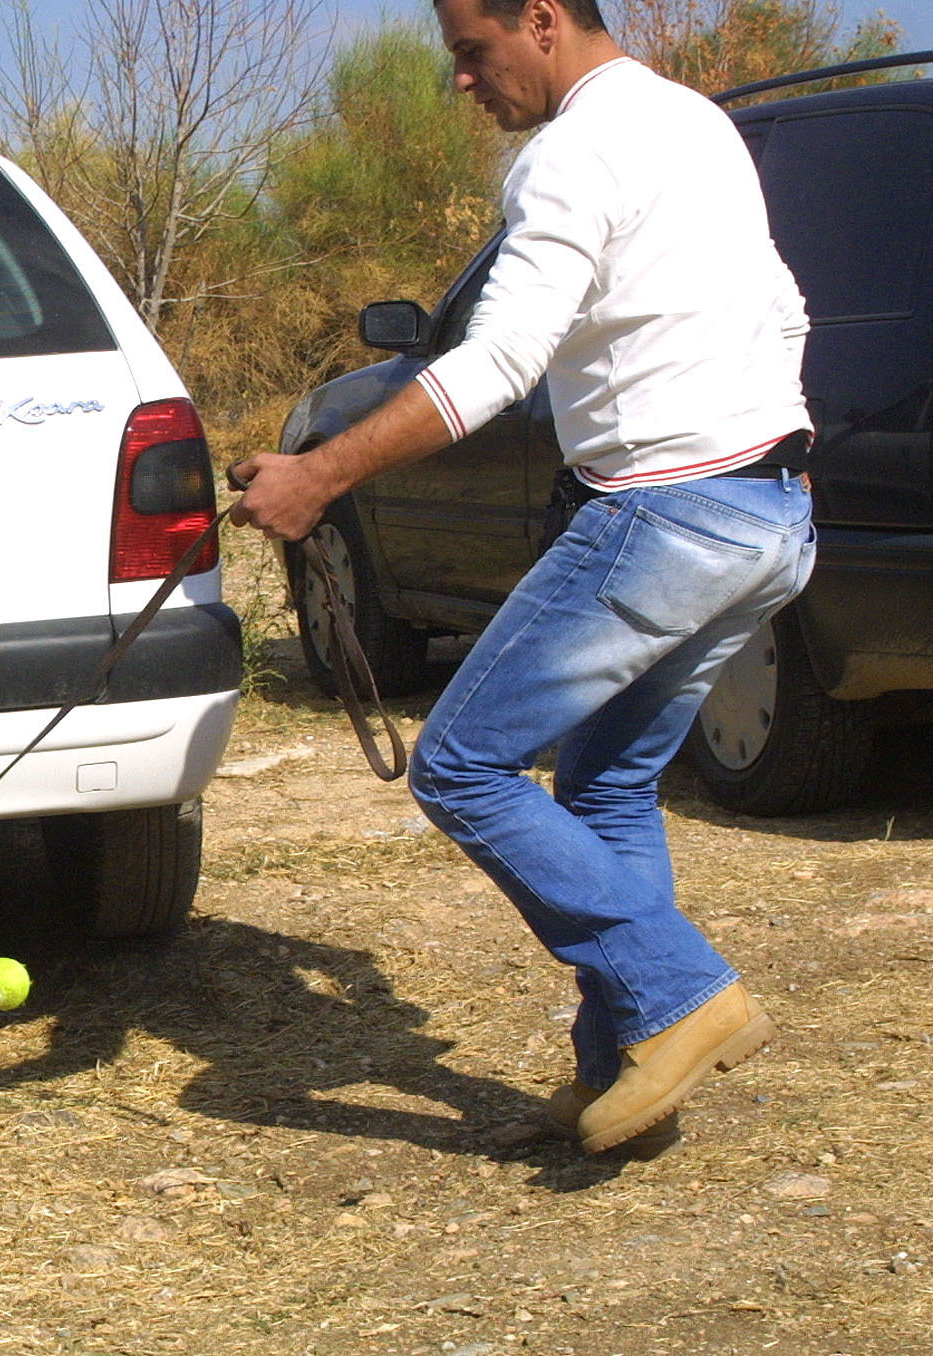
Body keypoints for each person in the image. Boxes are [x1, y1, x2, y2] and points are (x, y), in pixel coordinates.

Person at [228, 0, 813, 1154]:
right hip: (775, 513)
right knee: (602, 784)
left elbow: (494, 362)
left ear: (543, 20)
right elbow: (785, 304)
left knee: (460, 763)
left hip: (665, 513)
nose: (460, 82)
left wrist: (319, 475)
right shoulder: (695, 123)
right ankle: (626, 1075)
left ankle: (682, 992)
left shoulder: (571, 153)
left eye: (470, 51)